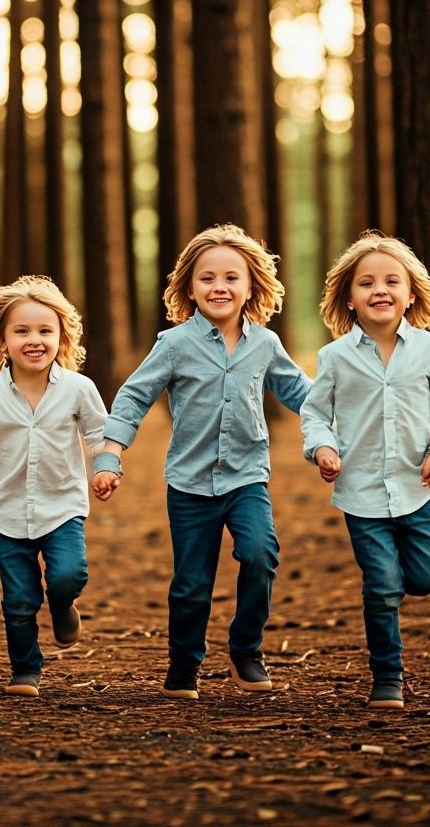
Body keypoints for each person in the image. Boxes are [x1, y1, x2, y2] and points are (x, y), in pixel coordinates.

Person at [91, 224, 311, 700]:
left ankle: (246, 650)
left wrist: (341, 428)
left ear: (251, 285)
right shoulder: (174, 344)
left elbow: (301, 395)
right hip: (189, 485)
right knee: (192, 583)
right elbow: (133, 397)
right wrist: (111, 454)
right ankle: (184, 663)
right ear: (189, 287)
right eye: (207, 278)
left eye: (231, 277)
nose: (219, 287)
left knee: (259, 555)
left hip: (247, 477)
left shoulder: (265, 344)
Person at [300, 232, 430, 710]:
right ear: (349, 298)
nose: (380, 290)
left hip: (417, 487)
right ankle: (387, 676)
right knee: (382, 586)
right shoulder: (334, 358)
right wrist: (323, 447)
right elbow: (314, 413)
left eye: (392, 281)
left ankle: (400, 582)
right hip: (362, 493)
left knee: (429, 578)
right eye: (366, 283)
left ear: (411, 293)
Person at [0, 275, 108, 698]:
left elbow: (98, 435)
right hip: (7, 512)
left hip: (62, 506)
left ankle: (63, 603)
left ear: (61, 337)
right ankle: (25, 669)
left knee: (70, 574)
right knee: (18, 600)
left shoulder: (78, 388)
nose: (34, 340)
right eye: (22, 331)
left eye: (44, 331)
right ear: (2, 341)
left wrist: (106, 468)